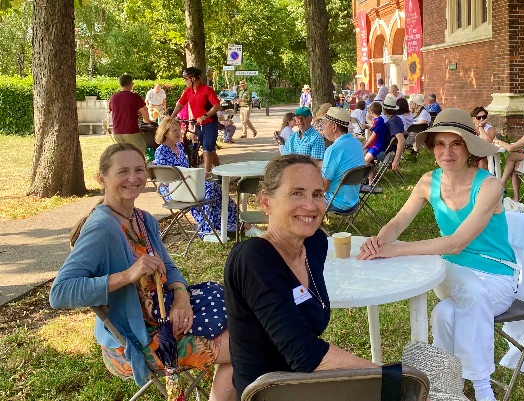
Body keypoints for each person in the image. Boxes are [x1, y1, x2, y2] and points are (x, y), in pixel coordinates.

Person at [49, 143, 236, 401]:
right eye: (123, 171)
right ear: (101, 179)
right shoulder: (102, 228)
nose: (133, 178)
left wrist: (181, 298)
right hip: (135, 341)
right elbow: (60, 293)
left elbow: (168, 267)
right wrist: (127, 275)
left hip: (165, 315)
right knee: (248, 346)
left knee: (246, 325)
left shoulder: (142, 218)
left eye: (139, 170)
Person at [358, 108, 517, 401]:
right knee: (467, 289)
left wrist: (398, 250)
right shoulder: (428, 182)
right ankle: (481, 385)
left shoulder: (490, 185)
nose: (447, 152)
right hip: (450, 272)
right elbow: (398, 222)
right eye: (440, 144)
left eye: (455, 143)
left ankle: (448, 385)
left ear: (468, 148)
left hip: (497, 277)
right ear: (432, 148)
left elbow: (456, 243)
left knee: (445, 312)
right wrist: (378, 243)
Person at [224, 154, 377, 399]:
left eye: (317, 194)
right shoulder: (253, 259)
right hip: (269, 392)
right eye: (296, 193)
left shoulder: (315, 242)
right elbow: (305, 354)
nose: (310, 205)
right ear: (266, 203)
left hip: (304, 382)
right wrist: (390, 378)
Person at [153, 117, 262, 238]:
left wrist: (195, 177)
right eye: (174, 130)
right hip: (173, 189)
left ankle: (242, 225)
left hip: (186, 185)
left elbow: (186, 169)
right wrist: (189, 180)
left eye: (179, 129)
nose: (179, 133)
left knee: (218, 190)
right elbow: (165, 180)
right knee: (208, 190)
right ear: (165, 133)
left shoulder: (179, 147)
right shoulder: (161, 151)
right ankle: (207, 231)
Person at [171, 67, 221, 178]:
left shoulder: (207, 90)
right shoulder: (188, 91)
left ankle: (207, 175)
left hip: (210, 123)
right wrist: (172, 116)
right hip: (199, 125)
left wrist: (204, 116)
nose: (184, 81)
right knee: (210, 150)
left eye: (186, 79)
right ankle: (220, 170)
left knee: (207, 149)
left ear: (193, 79)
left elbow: (217, 105)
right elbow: (180, 104)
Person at [321, 107, 365, 212]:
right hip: (353, 200)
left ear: (334, 127)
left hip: (335, 202)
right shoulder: (357, 144)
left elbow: (324, 187)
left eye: (326, 123)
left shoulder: (333, 150)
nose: (323, 127)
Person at [108, 74, 150, 153]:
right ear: (130, 84)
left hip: (117, 132)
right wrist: (147, 121)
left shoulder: (113, 97)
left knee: (124, 154)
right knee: (140, 152)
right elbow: (144, 110)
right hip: (131, 131)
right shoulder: (134, 96)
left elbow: (110, 111)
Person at [382, 97, 405, 171]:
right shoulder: (397, 119)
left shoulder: (393, 122)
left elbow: (401, 140)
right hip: (389, 150)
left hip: (387, 152)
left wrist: (396, 160)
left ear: (384, 109)